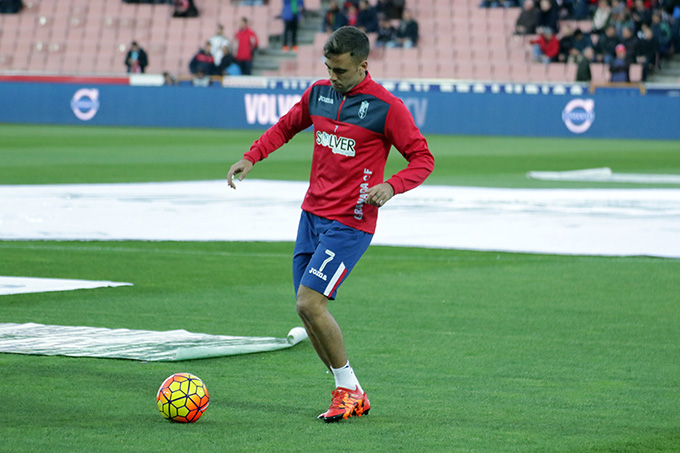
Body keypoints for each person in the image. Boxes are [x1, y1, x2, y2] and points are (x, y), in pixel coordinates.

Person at [226, 26, 434, 423]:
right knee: (306, 311)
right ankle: (350, 390)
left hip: (350, 222)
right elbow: (287, 126)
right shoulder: (319, 93)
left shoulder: (387, 107)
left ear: (363, 65)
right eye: (328, 68)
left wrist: (392, 186)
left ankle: (348, 388)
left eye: (340, 70)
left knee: (309, 302)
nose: (333, 77)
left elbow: (422, 158)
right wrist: (252, 157)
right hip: (312, 215)